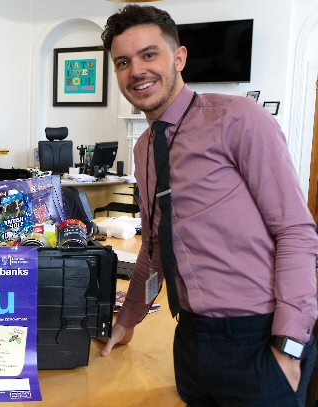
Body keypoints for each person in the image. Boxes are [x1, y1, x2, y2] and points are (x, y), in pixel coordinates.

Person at [100, 5, 318, 406]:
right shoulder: (145, 147)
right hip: (191, 339)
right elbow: (152, 247)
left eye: (150, 54)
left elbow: (295, 231)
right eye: (123, 62)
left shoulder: (238, 119)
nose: (137, 71)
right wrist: (127, 320)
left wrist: (289, 345)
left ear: (179, 57)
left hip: (258, 337)